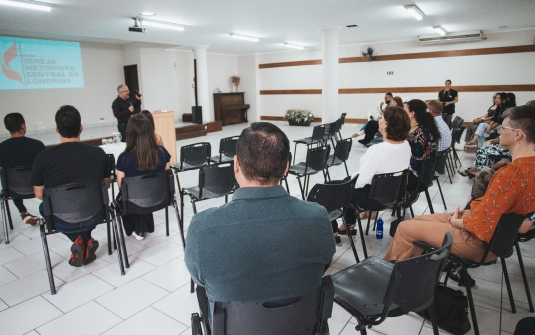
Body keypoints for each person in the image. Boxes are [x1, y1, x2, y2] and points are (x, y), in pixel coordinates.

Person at [185, 122, 335, 320]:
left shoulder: (202, 227)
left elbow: (200, 280)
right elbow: (323, 264)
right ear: (286, 167)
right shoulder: (318, 217)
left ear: (236, 164)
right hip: (300, 327)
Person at [384, 105, 535, 265]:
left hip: (478, 243)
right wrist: (468, 214)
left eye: (503, 127)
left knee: (404, 228)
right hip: (496, 239)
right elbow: (499, 213)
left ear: (518, 134)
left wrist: (457, 222)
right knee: (417, 220)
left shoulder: (510, 174)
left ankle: (389, 280)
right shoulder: (529, 167)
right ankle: (408, 276)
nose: (499, 131)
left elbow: (481, 224)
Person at [32, 106, 111, 267]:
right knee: (89, 205)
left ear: (56, 129)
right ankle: (85, 240)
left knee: (43, 208)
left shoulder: (42, 158)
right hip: (96, 213)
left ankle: (79, 240)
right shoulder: (98, 153)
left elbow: (39, 194)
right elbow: (106, 185)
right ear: (81, 127)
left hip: (62, 219)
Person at [338, 106, 412, 235]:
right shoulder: (405, 145)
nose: (379, 119)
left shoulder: (378, 149)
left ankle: (335, 229)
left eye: (381, 117)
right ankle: (348, 224)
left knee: (335, 189)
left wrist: (352, 178)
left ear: (387, 123)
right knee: (346, 182)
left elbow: (361, 182)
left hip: (373, 198)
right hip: (392, 195)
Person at [115, 114, 171, 240]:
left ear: (129, 133)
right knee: (144, 189)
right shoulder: (162, 152)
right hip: (159, 197)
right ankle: (142, 227)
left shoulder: (123, 158)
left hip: (133, 202)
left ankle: (137, 228)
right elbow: (166, 175)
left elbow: (120, 185)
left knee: (126, 196)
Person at [0, 113, 45, 225]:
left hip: (12, 190)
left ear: (6, 127)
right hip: (38, 188)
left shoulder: (1, 148)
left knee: (10, 180)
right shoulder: (37, 145)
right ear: (23, 125)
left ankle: (23, 212)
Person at [404, 99, 439, 179]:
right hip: (426, 174)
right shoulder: (425, 128)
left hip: (415, 176)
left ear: (412, 114)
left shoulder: (416, 135)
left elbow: (405, 155)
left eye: (404, 111)